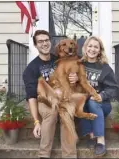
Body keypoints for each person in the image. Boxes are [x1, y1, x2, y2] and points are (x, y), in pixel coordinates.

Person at [22, 30, 79, 159]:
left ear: (50, 42)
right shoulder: (31, 69)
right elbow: (31, 96)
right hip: (45, 100)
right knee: (52, 113)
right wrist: (36, 121)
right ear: (35, 45)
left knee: (67, 113)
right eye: (40, 41)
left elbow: (71, 75)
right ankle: (44, 154)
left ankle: (70, 155)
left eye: (46, 40)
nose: (44, 44)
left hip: (63, 97)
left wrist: (75, 78)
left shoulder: (59, 59)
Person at [78, 36, 118, 157]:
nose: (92, 49)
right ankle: (91, 135)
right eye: (90, 46)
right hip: (85, 102)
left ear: (100, 50)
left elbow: (114, 88)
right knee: (82, 102)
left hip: (102, 104)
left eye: (96, 47)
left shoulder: (104, 67)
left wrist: (102, 95)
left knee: (92, 101)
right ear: (85, 48)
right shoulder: (79, 64)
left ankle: (100, 140)